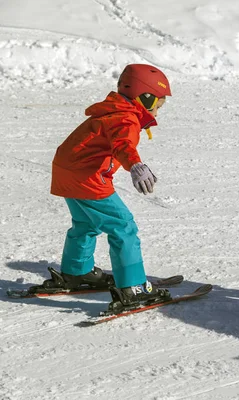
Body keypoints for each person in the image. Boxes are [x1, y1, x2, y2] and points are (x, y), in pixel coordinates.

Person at [43, 63, 173, 312]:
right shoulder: (126, 117)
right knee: (123, 226)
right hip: (87, 176)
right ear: (145, 98)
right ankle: (133, 288)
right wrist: (135, 165)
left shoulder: (114, 110)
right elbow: (123, 144)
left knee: (86, 223)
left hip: (65, 171)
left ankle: (77, 272)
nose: (159, 110)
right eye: (158, 104)